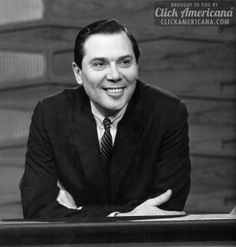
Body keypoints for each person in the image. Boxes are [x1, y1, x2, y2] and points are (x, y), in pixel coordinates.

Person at [20, 19, 191, 221]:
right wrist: (119, 215)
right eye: (100, 64)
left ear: (137, 66)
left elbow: (166, 206)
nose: (115, 75)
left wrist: (76, 212)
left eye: (124, 62)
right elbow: (37, 207)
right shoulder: (50, 114)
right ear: (78, 73)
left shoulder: (167, 113)